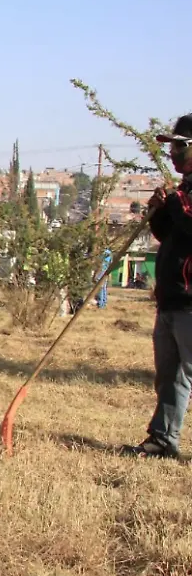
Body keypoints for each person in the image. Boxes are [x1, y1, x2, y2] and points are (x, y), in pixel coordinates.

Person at [125, 114, 192, 459]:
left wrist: (177, 205)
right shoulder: (184, 191)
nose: (173, 153)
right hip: (172, 301)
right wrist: (159, 213)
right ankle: (163, 439)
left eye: (180, 145)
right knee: (170, 377)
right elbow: (172, 235)